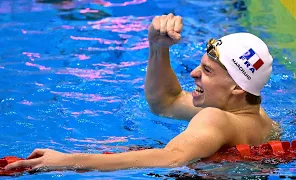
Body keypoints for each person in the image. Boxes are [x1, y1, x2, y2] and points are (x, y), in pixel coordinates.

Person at [5, 14, 280, 172]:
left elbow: (171, 158)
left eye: (207, 71)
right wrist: (158, 47)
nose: (194, 74)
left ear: (236, 87)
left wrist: (66, 161)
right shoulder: (261, 119)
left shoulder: (215, 118)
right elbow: (166, 102)